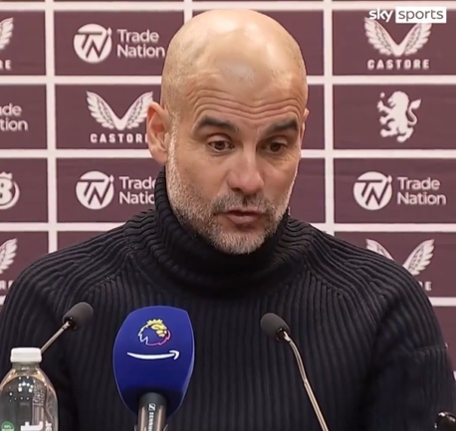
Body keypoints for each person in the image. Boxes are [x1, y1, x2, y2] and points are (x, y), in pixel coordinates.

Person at [0, 9, 454, 431]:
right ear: (160, 133)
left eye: (275, 146)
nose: (249, 179)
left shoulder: (381, 306)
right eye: (220, 144)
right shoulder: (56, 308)